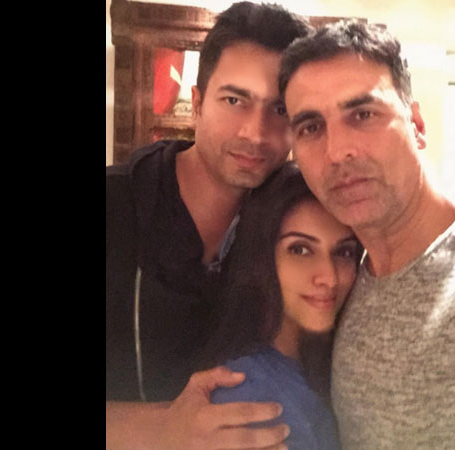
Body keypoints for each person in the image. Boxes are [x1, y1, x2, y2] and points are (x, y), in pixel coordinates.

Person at [279, 21, 455, 449]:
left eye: (363, 115)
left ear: (417, 124)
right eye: (311, 128)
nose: (337, 151)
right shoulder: (343, 279)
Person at [106, 3, 310, 449]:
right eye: (234, 100)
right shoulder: (116, 207)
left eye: (280, 108)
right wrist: (162, 429)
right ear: (197, 103)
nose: (255, 132)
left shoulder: (290, 229)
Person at [204, 161, 363, 450]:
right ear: (260, 259)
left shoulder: (337, 362)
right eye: (300, 250)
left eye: (343, 252)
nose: (329, 277)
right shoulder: (248, 397)